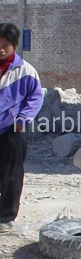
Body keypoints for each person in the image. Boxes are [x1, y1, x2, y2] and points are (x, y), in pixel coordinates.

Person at [0, 23, 43, 232]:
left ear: (14, 46)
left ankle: (6, 217)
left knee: (11, 174)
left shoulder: (25, 71)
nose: (1, 49)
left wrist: (23, 118)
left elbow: (35, 97)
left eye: (5, 45)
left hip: (11, 131)